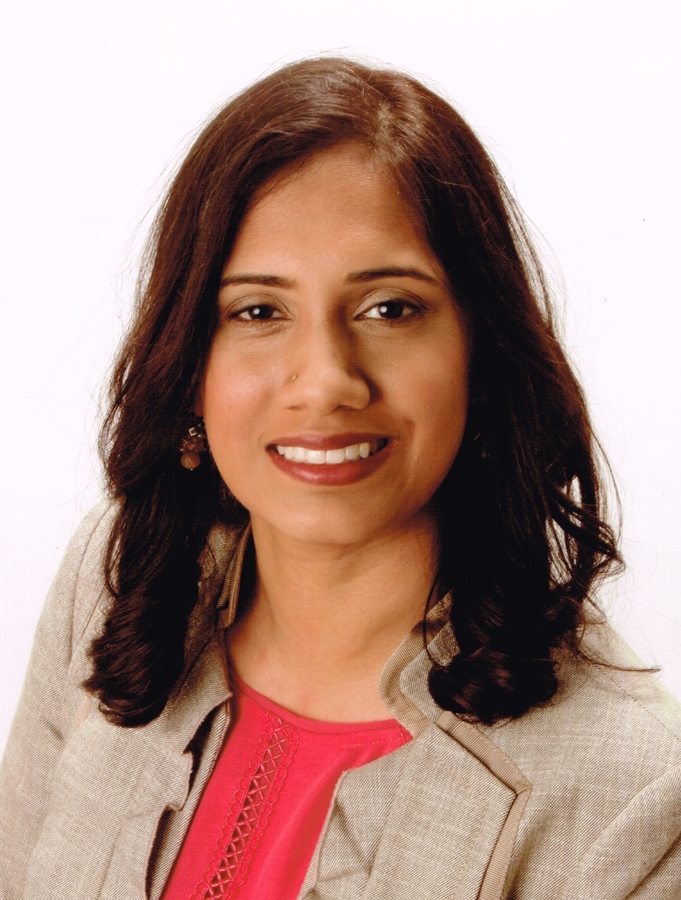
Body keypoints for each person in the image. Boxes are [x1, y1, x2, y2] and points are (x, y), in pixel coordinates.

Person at [1, 56, 680, 900]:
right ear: (189, 362)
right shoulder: (113, 579)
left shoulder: (633, 796)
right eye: (258, 311)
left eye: (389, 308)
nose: (324, 381)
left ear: (481, 350)